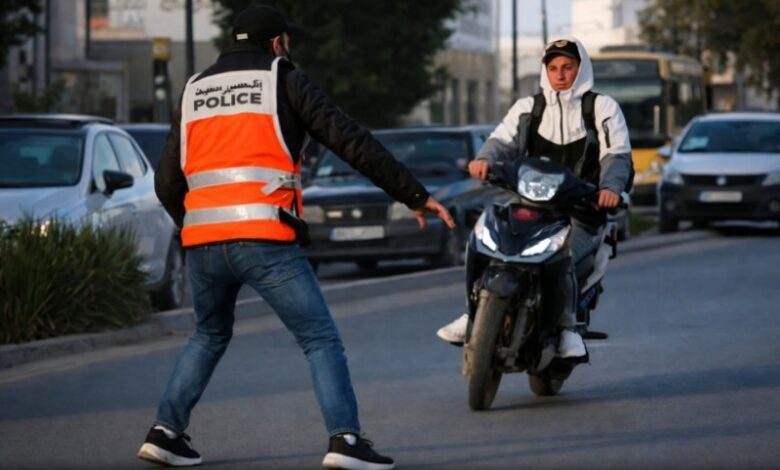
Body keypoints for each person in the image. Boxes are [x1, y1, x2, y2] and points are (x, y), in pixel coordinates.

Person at [137, 5, 454, 469]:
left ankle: (165, 431)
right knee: (320, 338)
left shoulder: (194, 88)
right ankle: (345, 441)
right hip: (265, 237)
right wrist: (413, 194)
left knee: (208, 334)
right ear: (277, 42)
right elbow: (351, 140)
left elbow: (167, 182)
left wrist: (197, 225)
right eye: (289, 40)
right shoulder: (282, 78)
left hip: (203, 243)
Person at [436, 36, 632, 358]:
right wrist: (484, 158)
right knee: (486, 237)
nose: (560, 74)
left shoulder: (602, 108)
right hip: (531, 204)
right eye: (553, 67)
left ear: (581, 69)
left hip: (580, 210)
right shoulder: (528, 107)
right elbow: (501, 139)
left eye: (568, 67)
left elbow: (616, 155)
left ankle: (567, 329)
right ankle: (473, 315)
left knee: (564, 254)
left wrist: (610, 189)